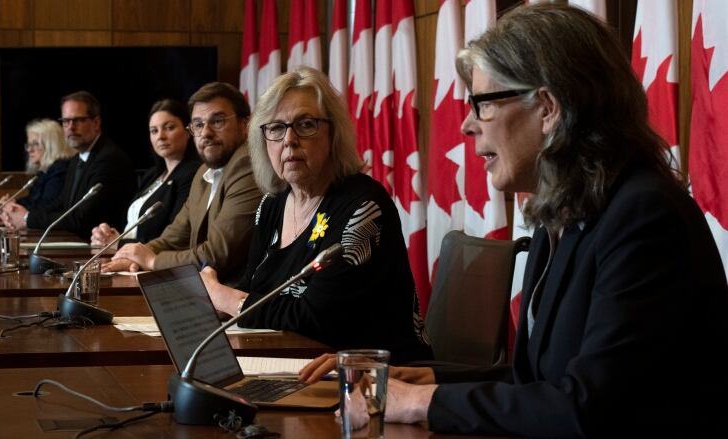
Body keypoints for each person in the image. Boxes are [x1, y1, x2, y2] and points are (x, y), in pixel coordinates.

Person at [301, 4, 728, 437]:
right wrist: (429, 380)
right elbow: (538, 384)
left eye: (482, 103)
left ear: (547, 108)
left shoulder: (644, 217)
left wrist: (420, 404)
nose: (467, 125)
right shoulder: (562, 210)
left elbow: (589, 408)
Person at [199, 67, 432, 364]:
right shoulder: (272, 204)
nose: (289, 140)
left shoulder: (363, 206)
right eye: (275, 128)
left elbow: (316, 319)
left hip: (372, 381)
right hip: (293, 365)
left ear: (333, 134)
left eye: (306, 124)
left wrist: (224, 297)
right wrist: (209, 300)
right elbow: (255, 287)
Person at [103, 83, 262, 284]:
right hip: (203, 291)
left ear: (245, 124)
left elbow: (217, 255)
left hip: (239, 300)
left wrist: (152, 260)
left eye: (218, 121)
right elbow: (174, 237)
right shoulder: (204, 171)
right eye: (198, 124)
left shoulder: (247, 166)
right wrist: (133, 256)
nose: (206, 132)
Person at [1, 91, 137, 240]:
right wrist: (20, 213)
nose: (71, 127)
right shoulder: (77, 159)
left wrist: (27, 218)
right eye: (66, 121)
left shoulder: (109, 160)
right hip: (75, 243)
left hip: (99, 250)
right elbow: (61, 205)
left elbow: (81, 219)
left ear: (96, 123)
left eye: (78, 120)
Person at [90, 99, 200, 247]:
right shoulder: (151, 175)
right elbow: (131, 226)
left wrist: (119, 243)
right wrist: (106, 235)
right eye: (154, 130)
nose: (160, 136)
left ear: (188, 131)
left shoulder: (192, 174)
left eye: (169, 127)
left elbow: (171, 237)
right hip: (127, 256)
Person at [0, 118, 74, 210]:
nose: (29, 150)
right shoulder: (45, 171)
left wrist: (13, 207)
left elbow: (44, 208)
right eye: (29, 145)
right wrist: (11, 202)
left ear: (51, 145)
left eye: (35, 144)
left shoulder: (60, 171)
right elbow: (32, 200)